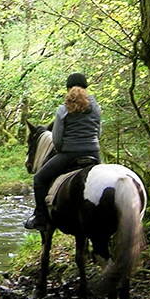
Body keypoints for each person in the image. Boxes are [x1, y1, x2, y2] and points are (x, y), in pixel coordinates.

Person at [24, 72, 102, 230]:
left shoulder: (63, 110)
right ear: (86, 88)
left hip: (70, 154)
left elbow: (57, 139)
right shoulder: (96, 108)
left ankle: (40, 218)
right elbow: (98, 133)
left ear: (68, 89)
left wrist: (62, 150)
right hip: (94, 153)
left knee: (39, 179)